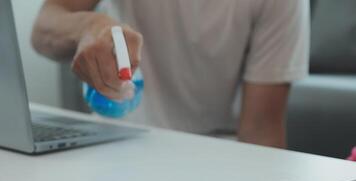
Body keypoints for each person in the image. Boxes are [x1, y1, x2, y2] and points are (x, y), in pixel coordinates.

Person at [31, 0, 310, 148]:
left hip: (215, 156)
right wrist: (88, 26)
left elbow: (261, 131)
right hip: (114, 141)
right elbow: (44, 27)